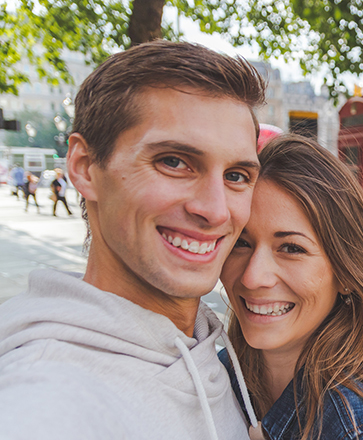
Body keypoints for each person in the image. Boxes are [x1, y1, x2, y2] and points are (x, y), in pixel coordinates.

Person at [0, 40, 266, 440]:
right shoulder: (44, 406)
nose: (216, 210)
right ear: (85, 167)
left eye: (236, 176)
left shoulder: (217, 355)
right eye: (174, 162)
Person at [219, 135, 363, 440]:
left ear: (346, 273)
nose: (252, 277)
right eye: (242, 243)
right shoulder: (219, 373)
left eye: (291, 248)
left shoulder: (356, 427)